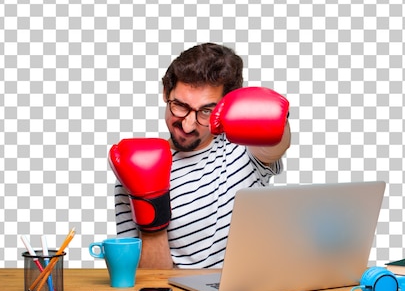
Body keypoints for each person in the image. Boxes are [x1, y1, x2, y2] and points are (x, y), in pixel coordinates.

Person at [112, 43, 292, 269]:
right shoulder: (134, 164)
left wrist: (276, 119)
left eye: (206, 111)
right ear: (166, 93)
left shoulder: (243, 148)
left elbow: (276, 144)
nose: (187, 125)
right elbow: (145, 281)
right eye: (179, 105)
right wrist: (151, 209)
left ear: (225, 108)